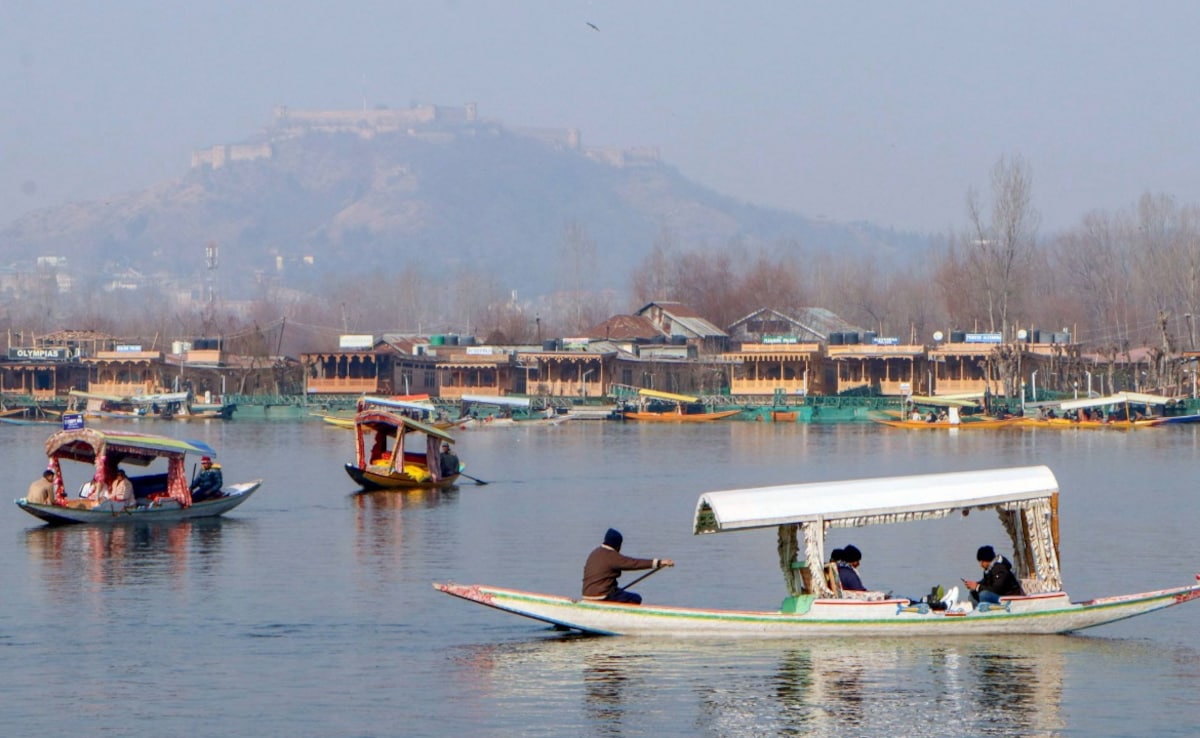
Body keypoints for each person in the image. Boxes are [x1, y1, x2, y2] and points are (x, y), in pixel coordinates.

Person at [581, 528, 674, 605]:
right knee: (636, 598)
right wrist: (659, 562)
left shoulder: (594, 553)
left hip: (586, 595)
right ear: (618, 545)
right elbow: (633, 563)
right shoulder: (612, 556)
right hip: (602, 597)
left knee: (619, 592)